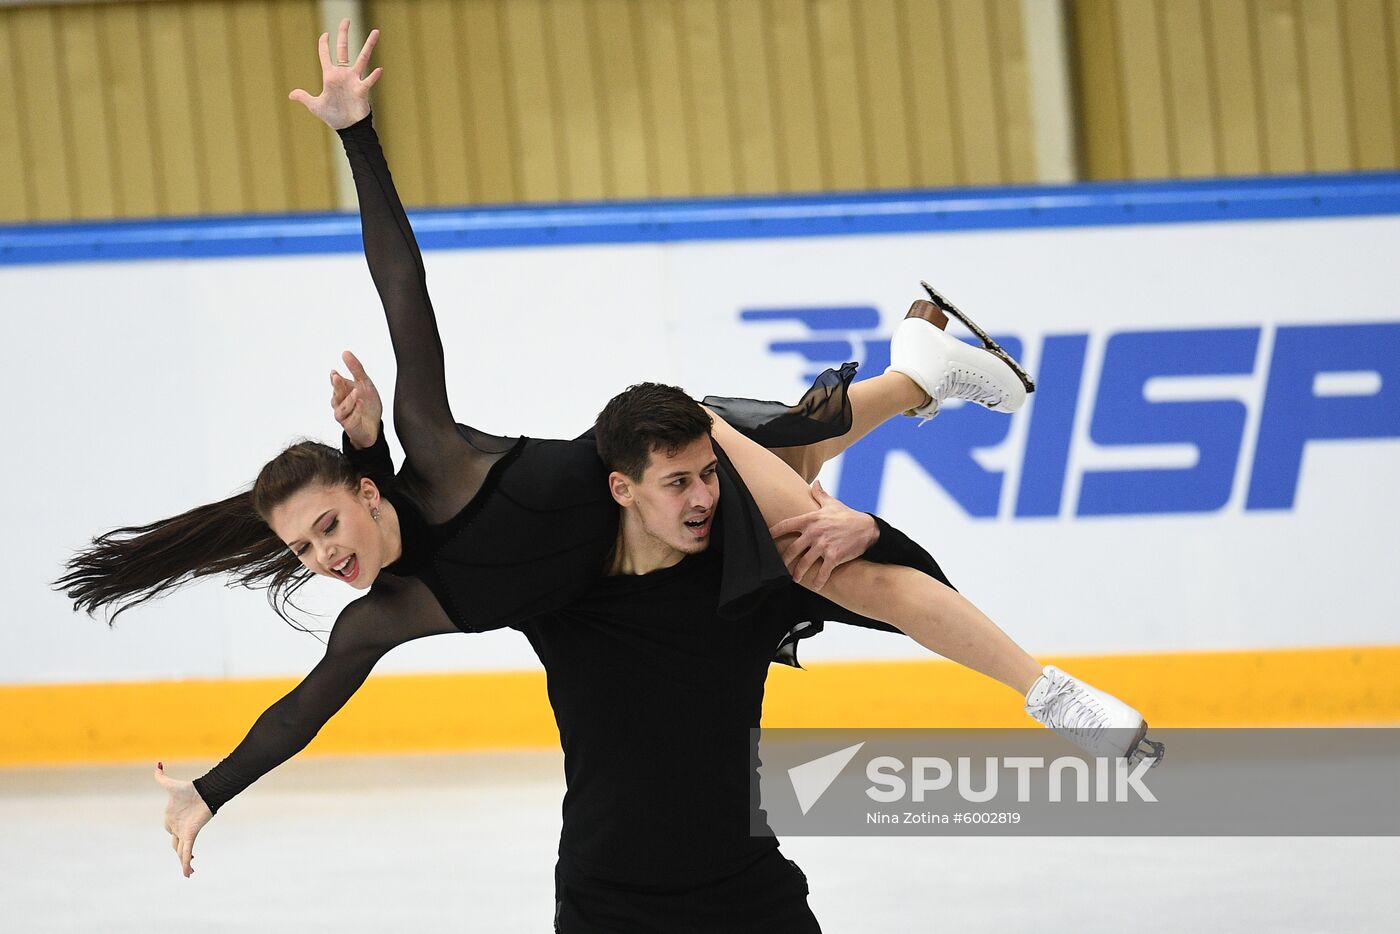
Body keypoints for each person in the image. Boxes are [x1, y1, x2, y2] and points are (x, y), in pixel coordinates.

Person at [55, 21, 1158, 888]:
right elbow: (302, 709)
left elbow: (403, 291)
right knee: (809, 458)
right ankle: (920, 368)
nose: (323, 557)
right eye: (302, 551)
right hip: (642, 562)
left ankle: (1049, 691)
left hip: (659, 460)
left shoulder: (431, 452)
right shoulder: (388, 612)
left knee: (830, 549)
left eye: (327, 526)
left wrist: (354, 134)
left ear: (362, 484)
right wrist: (208, 790)